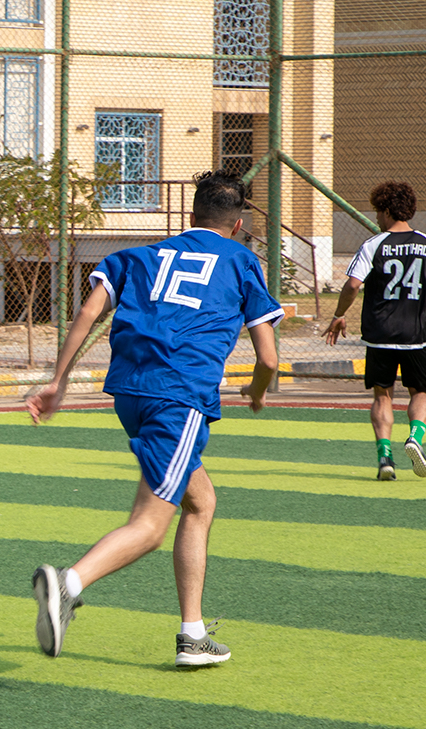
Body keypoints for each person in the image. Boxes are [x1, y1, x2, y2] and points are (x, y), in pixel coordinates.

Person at [26, 171, 281, 669]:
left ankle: (193, 634)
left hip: (129, 392)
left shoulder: (139, 256)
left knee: (200, 501)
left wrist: (58, 380)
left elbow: (89, 312)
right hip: (178, 396)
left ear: (191, 215)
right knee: (150, 525)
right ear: (239, 224)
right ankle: (68, 583)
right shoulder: (242, 261)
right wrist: (255, 391)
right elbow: (268, 359)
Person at [321, 181, 426, 479]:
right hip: (417, 335)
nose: (377, 217)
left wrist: (339, 315)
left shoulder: (373, 245)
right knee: (421, 392)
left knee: (383, 396)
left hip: (380, 334)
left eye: (378, 211)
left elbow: (352, 285)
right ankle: (415, 437)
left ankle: (385, 458)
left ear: (388, 211)